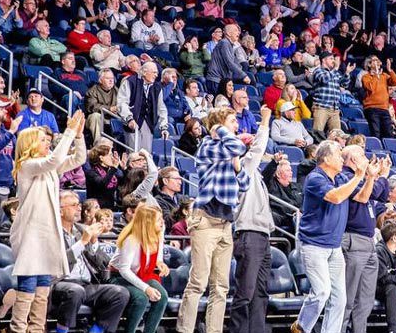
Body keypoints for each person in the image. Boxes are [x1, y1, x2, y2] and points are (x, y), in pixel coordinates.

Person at [8, 111, 86, 333]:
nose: (48, 143)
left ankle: (36, 329)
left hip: (45, 235)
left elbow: (78, 159)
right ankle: (18, 329)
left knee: (43, 291)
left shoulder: (50, 168)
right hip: (30, 234)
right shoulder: (27, 165)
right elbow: (53, 160)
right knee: (28, 289)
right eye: (43, 140)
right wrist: (69, 131)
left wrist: (78, 136)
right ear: (31, 143)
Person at [177, 107, 251, 333]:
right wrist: (217, 128)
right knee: (198, 282)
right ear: (219, 125)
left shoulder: (229, 153)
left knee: (221, 287)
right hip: (206, 221)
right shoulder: (209, 146)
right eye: (231, 121)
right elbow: (238, 145)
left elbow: (245, 184)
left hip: (226, 224)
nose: (236, 125)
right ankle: (185, 330)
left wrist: (237, 167)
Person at [291, 140, 369, 333]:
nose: (342, 157)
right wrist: (359, 175)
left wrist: (371, 177)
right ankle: (301, 326)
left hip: (334, 247)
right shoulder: (315, 178)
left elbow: (362, 198)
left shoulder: (341, 178)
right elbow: (336, 197)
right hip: (314, 245)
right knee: (322, 292)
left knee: (339, 299)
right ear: (326, 158)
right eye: (338, 154)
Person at [51, 190, 129, 333]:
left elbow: (102, 263)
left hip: (86, 284)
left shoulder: (82, 229)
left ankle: (95, 331)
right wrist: (83, 241)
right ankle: (61, 331)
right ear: (60, 211)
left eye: (79, 204)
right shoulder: (51, 232)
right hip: (60, 283)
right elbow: (58, 262)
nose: (79, 208)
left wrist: (93, 242)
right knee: (75, 291)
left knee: (120, 293)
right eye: (74, 205)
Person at [230, 105, 273, 333]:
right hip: (248, 235)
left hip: (262, 235)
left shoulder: (252, 171)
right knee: (245, 292)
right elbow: (257, 149)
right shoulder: (240, 169)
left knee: (260, 292)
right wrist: (265, 120)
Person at [341, 146, 388, 333]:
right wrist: (376, 177)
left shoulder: (362, 178)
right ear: (352, 159)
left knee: (365, 300)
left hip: (369, 242)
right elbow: (365, 196)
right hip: (352, 239)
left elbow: (382, 196)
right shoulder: (346, 177)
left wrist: (381, 176)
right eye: (362, 156)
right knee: (347, 298)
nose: (366, 159)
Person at [108, 205, 169, 333]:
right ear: (148, 222)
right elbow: (124, 270)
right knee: (141, 298)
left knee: (162, 296)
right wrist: (146, 288)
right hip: (118, 277)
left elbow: (158, 258)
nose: (162, 222)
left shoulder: (158, 234)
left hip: (139, 275)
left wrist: (161, 264)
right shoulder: (132, 239)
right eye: (159, 219)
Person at [117, 62, 169, 152]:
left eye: (156, 73)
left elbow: (161, 108)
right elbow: (122, 103)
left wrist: (163, 127)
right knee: (134, 154)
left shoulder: (157, 88)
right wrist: (129, 119)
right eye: (154, 72)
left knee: (146, 155)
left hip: (148, 123)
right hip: (133, 122)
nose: (156, 75)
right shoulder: (130, 82)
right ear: (144, 72)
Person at [311, 52, 355, 135]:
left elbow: (344, 84)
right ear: (324, 60)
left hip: (334, 109)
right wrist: (335, 68)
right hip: (321, 107)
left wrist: (347, 73)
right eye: (331, 59)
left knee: (337, 136)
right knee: (317, 133)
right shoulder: (318, 71)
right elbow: (324, 79)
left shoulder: (335, 73)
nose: (333, 61)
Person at [0, 98, 18, 232]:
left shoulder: (7, 133)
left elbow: (17, 156)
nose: (4, 110)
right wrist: (11, 132)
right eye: (0, 108)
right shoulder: (8, 133)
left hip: (4, 190)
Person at [361, 56, 396, 139]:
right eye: (374, 61)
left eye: (378, 60)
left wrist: (390, 70)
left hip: (384, 108)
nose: (377, 62)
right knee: (376, 132)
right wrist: (375, 75)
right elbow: (371, 87)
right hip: (372, 108)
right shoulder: (366, 77)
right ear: (369, 64)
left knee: (389, 133)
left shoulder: (384, 76)